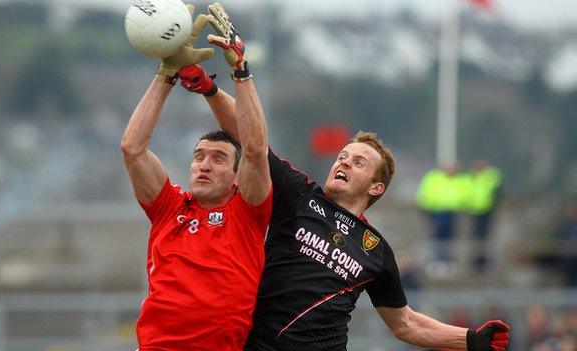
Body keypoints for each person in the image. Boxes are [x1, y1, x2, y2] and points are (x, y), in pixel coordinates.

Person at [177, 3, 511, 351]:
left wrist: (470, 339)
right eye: (343, 156)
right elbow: (252, 140)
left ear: (376, 186)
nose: (345, 163)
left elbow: (406, 323)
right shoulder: (299, 195)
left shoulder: (375, 250)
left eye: (359, 162)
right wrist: (210, 90)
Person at [120, 5, 272, 350]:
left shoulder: (247, 211)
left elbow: (255, 148)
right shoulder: (168, 207)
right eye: (199, 156)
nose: (204, 164)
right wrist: (167, 73)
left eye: (218, 159)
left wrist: (240, 72)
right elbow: (132, 148)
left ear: (237, 178)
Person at [416, 163, 470, 275]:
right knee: (438, 237)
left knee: (448, 237)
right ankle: (438, 261)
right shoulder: (433, 178)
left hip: (453, 213)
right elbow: (425, 194)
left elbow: (466, 196)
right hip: (436, 212)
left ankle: (446, 261)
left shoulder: (462, 180)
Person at [466, 157, 502, 272]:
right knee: (476, 237)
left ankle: (484, 262)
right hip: (473, 211)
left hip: (487, 210)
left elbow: (497, 190)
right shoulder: (471, 176)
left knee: (485, 237)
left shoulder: (492, 175)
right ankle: (476, 263)